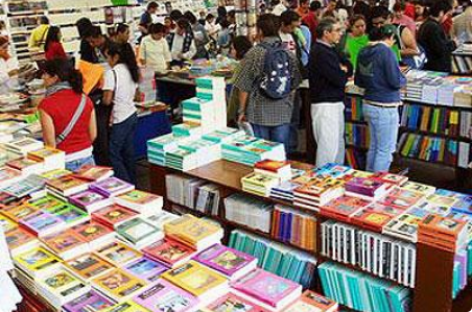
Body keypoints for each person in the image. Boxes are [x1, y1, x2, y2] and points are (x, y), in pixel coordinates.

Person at [235, 14, 302, 152]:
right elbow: (295, 83)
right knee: (280, 152)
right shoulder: (288, 53)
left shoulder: (254, 53)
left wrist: (241, 110)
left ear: (260, 31)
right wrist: (288, 102)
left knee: (261, 152)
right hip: (283, 111)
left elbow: (243, 86)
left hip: (259, 111)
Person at [355, 25, 406, 172]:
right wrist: (403, 79)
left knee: (374, 146)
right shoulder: (386, 52)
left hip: (369, 102)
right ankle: (377, 184)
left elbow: (359, 80)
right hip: (385, 105)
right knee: (385, 150)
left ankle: (368, 179)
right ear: (390, 38)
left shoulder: (363, 51)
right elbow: (395, 81)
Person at [38, 59, 97, 172]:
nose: (43, 77)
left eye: (45, 74)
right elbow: (93, 134)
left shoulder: (46, 104)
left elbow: (50, 144)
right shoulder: (85, 99)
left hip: (64, 161)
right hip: (88, 157)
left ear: (55, 77)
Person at [309, 18, 353, 168]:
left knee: (337, 145)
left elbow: (349, 66)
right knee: (328, 149)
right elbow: (339, 78)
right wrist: (342, 71)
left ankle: (336, 177)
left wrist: (343, 70)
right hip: (326, 105)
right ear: (326, 33)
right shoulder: (321, 52)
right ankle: (322, 181)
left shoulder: (331, 49)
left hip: (334, 103)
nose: (340, 34)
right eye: (337, 31)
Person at [102, 43, 139, 184]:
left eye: (108, 58)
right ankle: (133, 182)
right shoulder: (131, 70)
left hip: (120, 117)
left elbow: (107, 100)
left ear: (115, 57)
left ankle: (124, 183)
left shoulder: (112, 73)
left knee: (113, 153)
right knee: (128, 152)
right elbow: (135, 95)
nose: (107, 61)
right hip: (131, 114)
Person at [418, 0, 455, 72]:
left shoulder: (426, 24)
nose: (447, 18)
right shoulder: (433, 27)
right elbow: (441, 50)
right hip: (436, 68)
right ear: (441, 13)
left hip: (429, 66)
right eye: (447, 15)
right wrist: (453, 43)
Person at [227, 36, 253, 126]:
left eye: (233, 48)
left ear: (240, 49)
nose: (231, 51)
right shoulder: (250, 63)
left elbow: (240, 91)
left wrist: (239, 112)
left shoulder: (243, 66)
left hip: (243, 112)